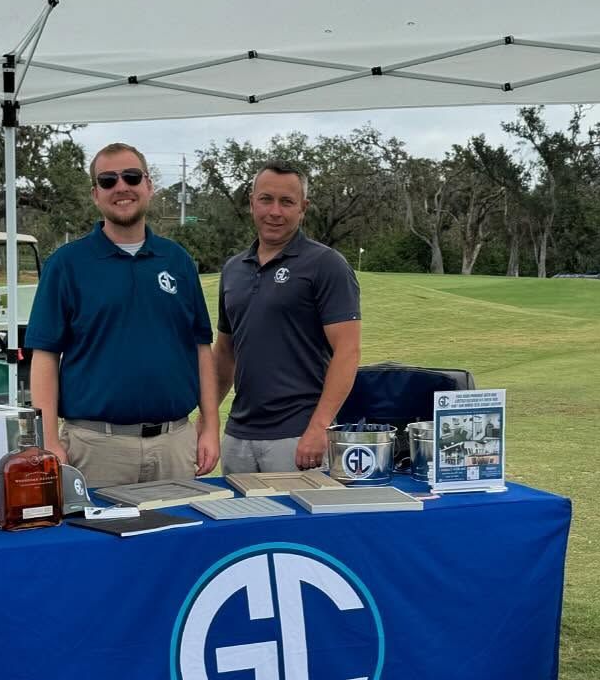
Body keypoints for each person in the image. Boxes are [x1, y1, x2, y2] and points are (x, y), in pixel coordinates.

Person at [26, 143, 219, 487]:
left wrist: (210, 427)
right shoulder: (67, 265)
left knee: (179, 541)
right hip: (95, 448)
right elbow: (45, 356)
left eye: (131, 177)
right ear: (95, 194)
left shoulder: (178, 261)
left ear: (148, 185)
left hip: (174, 444)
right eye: (108, 180)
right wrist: (49, 440)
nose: (121, 187)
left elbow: (201, 348)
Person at [213, 162, 362, 474]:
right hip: (238, 438)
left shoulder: (326, 264)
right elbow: (225, 352)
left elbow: (348, 351)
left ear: (303, 208)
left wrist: (319, 427)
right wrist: (207, 420)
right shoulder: (233, 269)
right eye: (266, 199)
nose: (275, 212)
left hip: (297, 437)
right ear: (252, 202)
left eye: (287, 202)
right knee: (240, 522)